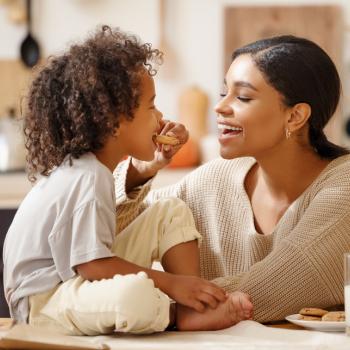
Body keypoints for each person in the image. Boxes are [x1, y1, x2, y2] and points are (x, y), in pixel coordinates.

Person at [3, 26, 253, 336]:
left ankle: (191, 309)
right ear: (114, 122)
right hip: (45, 302)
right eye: (151, 106)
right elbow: (93, 267)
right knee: (133, 296)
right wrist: (174, 284)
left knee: (169, 211)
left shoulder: (93, 171)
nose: (160, 117)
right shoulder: (88, 176)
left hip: (74, 281)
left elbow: (95, 260)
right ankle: (177, 313)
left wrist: (154, 163)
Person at [114, 35, 350, 323]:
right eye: (223, 92)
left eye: (243, 97)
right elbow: (96, 241)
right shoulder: (215, 179)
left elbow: (266, 292)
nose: (220, 107)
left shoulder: (344, 188)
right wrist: (141, 171)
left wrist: (136, 304)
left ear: (295, 116)